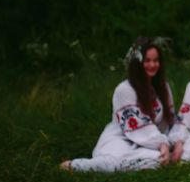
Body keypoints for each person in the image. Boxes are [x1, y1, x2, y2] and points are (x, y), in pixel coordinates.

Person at [61, 37, 178, 172]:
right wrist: (162, 143)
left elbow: (168, 121)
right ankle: (74, 166)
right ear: (137, 63)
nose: (152, 65)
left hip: (148, 144)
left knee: (157, 159)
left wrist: (172, 143)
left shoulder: (163, 87)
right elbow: (137, 126)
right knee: (114, 163)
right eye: (147, 60)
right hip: (122, 138)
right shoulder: (125, 89)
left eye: (156, 60)